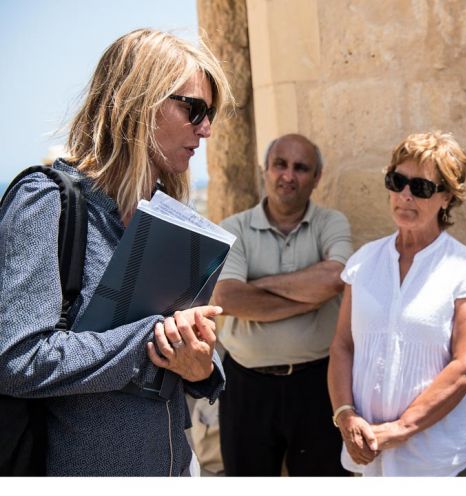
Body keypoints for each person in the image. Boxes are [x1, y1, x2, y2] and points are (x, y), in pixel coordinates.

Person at [0, 28, 232, 476]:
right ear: (138, 103)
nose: (205, 129)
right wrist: (153, 338)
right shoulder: (47, 201)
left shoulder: (168, 217)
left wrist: (201, 364)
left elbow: (179, 353)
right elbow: (16, 359)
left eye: (211, 114)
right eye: (195, 109)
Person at [327, 131, 466, 476]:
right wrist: (345, 415)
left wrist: (401, 429)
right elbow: (343, 345)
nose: (405, 195)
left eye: (421, 187)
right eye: (397, 181)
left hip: (434, 460)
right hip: (366, 453)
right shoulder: (363, 261)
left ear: (447, 197)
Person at [213, 133, 352, 476]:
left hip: (318, 384)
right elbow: (227, 298)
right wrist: (309, 298)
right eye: (280, 164)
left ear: (317, 177)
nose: (288, 175)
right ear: (265, 170)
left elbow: (335, 278)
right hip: (246, 385)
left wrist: (256, 287)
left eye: (301, 168)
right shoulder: (234, 228)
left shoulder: (331, 223)